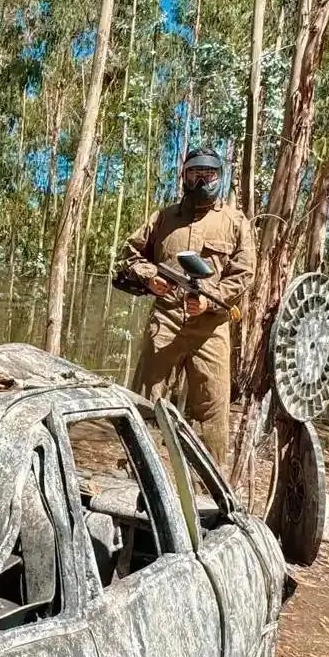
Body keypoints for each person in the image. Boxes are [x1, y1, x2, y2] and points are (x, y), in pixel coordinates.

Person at [114, 144, 255, 469]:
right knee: (146, 399)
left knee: (213, 408)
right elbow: (130, 252)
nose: (201, 181)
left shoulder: (235, 222)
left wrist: (210, 298)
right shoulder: (164, 218)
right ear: (184, 176)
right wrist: (150, 277)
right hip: (166, 318)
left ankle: (210, 487)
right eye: (194, 174)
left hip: (211, 328)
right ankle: (137, 473)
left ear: (220, 177)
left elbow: (245, 272)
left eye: (208, 174)